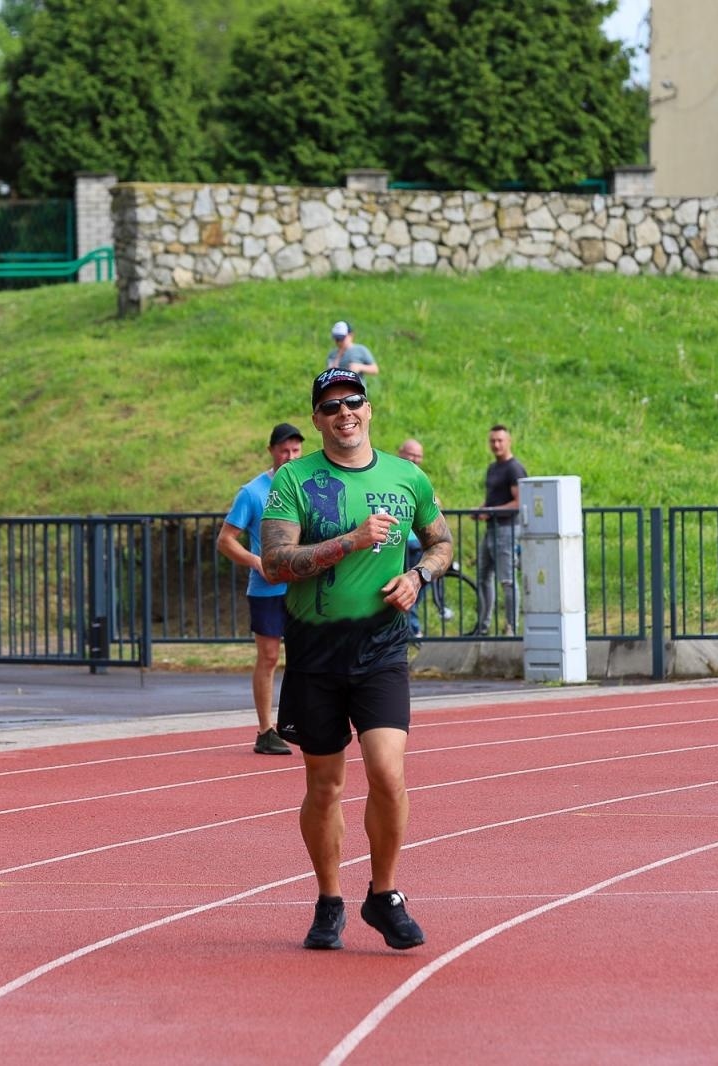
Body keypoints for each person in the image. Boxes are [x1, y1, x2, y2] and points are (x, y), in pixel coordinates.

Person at [262, 368, 451, 951]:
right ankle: (328, 900)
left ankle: (384, 895)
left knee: (388, 775)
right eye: (331, 406)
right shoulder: (294, 479)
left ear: (369, 410)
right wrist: (352, 540)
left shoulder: (406, 475)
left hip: (381, 649)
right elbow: (274, 562)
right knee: (325, 785)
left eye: (354, 402)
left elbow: (442, 543)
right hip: (316, 653)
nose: (345, 412)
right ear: (317, 419)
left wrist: (418, 575)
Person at [216, 423, 306, 756]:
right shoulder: (252, 492)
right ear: (272, 451)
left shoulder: (309, 486)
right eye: (285, 450)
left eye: (296, 450)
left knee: (305, 656)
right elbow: (225, 541)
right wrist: (257, 562)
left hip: (301, 588)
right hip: (267, 589)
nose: (291, 456)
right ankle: (265, 729)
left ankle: (300, 721)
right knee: (269, 657)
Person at [395, 439, 451, 634]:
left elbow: (435, 504)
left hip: (419, 543)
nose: (415, 459)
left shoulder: (419, 478)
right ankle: (410, 630)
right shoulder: (391, 477)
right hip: (399, 544)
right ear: (400, 452)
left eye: (418, 456)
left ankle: (411, 627)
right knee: (403, 587)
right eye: (411, 454)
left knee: (418, 584)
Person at [476, 424, 526, 636]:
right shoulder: (492, 468)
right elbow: (492, 500)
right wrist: (480, 510)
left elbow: (519, 502)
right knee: (483, 577)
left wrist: (492, 511)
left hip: (507, 530)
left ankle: (511, 627)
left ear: (509, 441)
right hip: (491, 529)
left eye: (500, 440)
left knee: (507, 580)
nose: (496, 444)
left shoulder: (514, 468)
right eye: (492, 441)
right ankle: (484, 626)